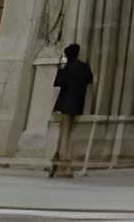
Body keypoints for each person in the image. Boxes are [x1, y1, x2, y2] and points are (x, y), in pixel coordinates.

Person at [47, 43, 93, 178]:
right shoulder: (84, 67)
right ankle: (65, 164)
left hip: (65, 104)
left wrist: (61, 68)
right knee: (70, 133)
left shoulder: (67, 67)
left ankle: (62, 165)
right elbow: (89, 79)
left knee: (64, 134)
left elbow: (57, 82)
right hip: (78, 103)